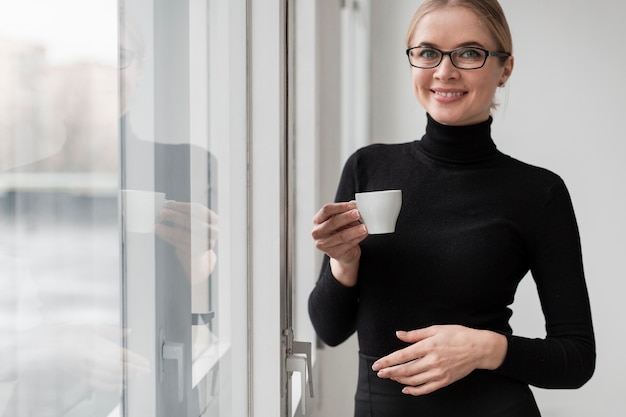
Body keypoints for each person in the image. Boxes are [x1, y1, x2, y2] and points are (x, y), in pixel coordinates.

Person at [308, 1, 595, 416]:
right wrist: (343, 263)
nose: (444, 71)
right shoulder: (368, 167)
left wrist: (482, 347)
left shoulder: (539, 192)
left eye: (469, 53)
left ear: (505, 68)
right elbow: (329, 330)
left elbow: (577, 359)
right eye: (427, 53)